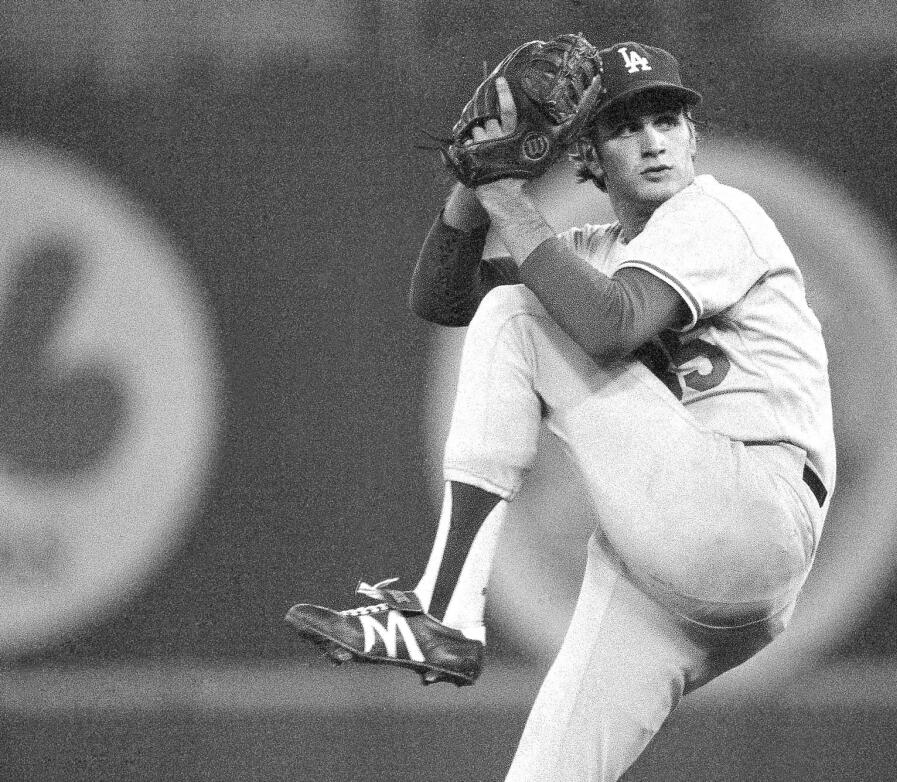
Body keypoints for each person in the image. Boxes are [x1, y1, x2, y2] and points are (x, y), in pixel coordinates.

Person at [286, 39, 835, 781]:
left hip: (750, 506)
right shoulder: (585, 250)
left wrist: (504, 190)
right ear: (585, 152)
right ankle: (445, 616)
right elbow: (442, 298)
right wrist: (470, 174)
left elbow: (612, 320)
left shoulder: (719, 213)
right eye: (626, 126)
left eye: (669, 120)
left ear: (694, 137)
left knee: (518, 315)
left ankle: (443, 613)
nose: (653, 140)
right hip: (673, 580)